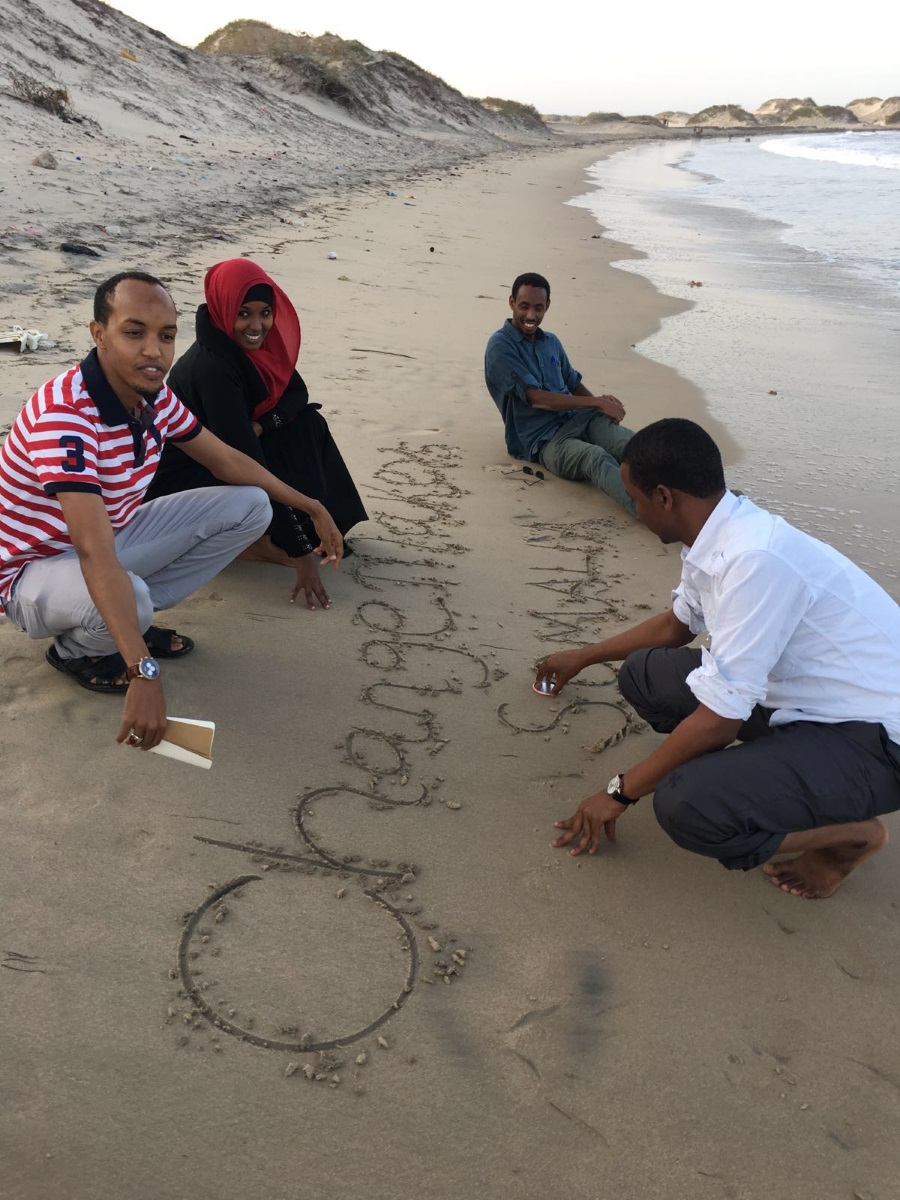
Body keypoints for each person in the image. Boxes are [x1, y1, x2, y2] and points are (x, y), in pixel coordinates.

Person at [537, 418, 900, 899]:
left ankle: (851, 835)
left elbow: (719, 722)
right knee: (645, 674)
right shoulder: (717, 533)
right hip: (807, 699)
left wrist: (617, 793)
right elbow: (675, 626)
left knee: (686, 805)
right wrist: (585, 656)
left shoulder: (754, 560)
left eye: (636, 498)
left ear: (665, 497)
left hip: (876, 741)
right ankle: (764, 779)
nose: (636, 510)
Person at [0, 271, 343, 751]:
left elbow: (225, 459)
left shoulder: (153, 395)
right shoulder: (67, 419)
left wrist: (311, 506)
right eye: (134, 332)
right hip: (31, 573)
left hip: (109, 536)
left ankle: (128, 623)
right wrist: (145, 673)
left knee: (250, 505)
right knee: (130, 596)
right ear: (99, 334)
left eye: (165, 336)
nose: (153, 351)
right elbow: (94, 554)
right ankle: (79, 650)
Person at [146, 259, 367, 610]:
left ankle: (308, 526)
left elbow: (297, 395)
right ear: (224, 308)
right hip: (188, 478)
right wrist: (300, 552)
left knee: (308, 422)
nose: (256, 326)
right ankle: (254, 543)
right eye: (244, 313)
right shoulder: (212, 367)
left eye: (265, 313)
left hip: (236, 449)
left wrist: (265, 424)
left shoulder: (257, 348)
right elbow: (245, 461)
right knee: (284, 511)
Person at [484, 272, 636, 515]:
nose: (531, 315)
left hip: (579, 419)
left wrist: (600, 406)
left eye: (538, 308)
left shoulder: (551, 342)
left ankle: (683, 489)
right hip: (545, 441)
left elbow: (572, 383)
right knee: (596, 457)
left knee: (633, 445)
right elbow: (536, 398)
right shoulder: (500, 346)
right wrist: (596, 402)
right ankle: (649, 512)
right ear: (512, 302)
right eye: (524, 306)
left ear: (547, 307)